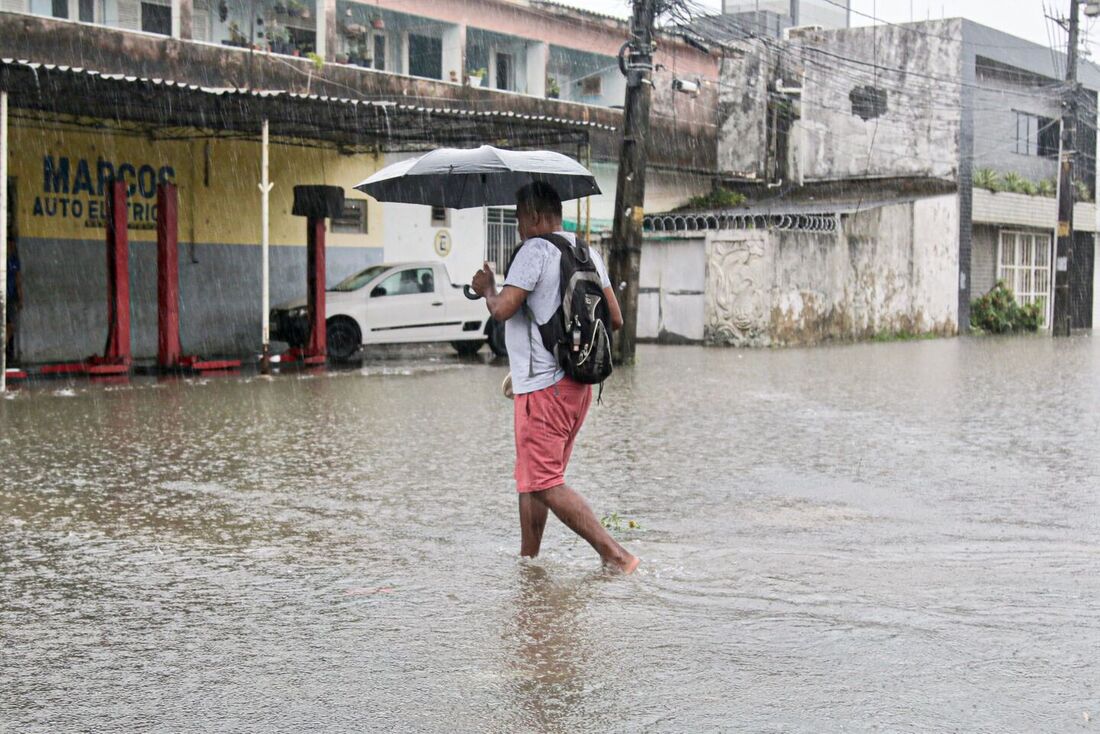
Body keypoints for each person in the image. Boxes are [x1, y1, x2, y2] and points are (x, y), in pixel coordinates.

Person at [471, 181, 639, 574]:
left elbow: (501, 310)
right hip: (577, 386)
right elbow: (614, 318)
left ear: (532, 216)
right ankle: (529, 561)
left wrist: (488, 288)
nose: (517, 227)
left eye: (517, 219)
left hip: (543, 389)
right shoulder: (587, 252)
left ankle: (617, 556)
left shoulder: (534, 250)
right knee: (533, 479)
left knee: (545, 481)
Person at [5, 236, 21, 365]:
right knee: (9, 326)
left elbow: (18, 280)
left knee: (10, 326)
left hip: (9, 297)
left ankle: (6, 351)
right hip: (4, 296)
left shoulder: (14, 261)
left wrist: (20, 298)